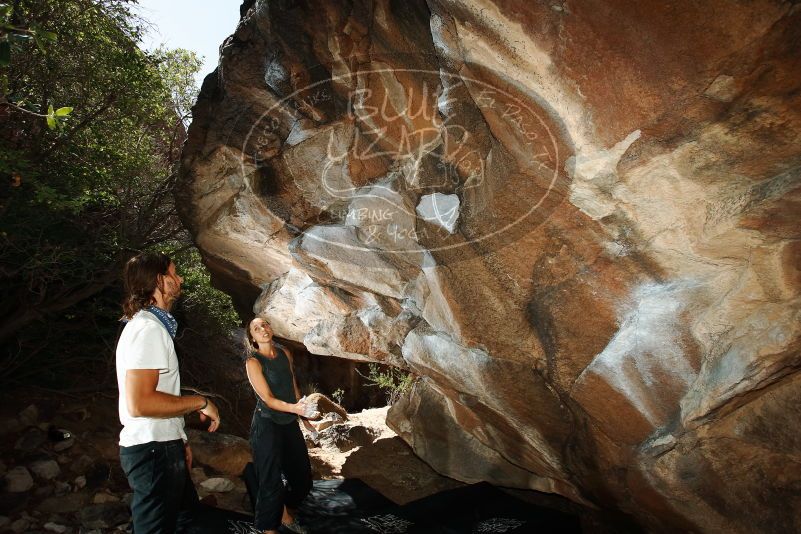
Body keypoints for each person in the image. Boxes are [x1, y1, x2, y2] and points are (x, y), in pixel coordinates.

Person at [116, 252, 221, 534]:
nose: (180, 278)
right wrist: (201, 402)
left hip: (163, 445)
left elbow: (159, 391)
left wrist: (179, 438)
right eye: (174, 274)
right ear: (160, 281)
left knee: (185, 521)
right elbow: (140, 403)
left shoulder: (151, 326)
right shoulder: (148, 329)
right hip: (152, 451)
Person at [245, 317, 316, 534]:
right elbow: (267, 398)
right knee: (270, 481)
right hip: (266, 423)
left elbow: (292, 386)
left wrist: (303, 415)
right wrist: (295, 410)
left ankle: (283, 508)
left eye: (265, 325)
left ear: (271, 328)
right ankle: (270, 527)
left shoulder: (285, 353)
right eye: (257, 328)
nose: (263, 329)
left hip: (288, 421)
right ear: (252, 338)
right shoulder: (253, 362)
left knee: (303, 480)